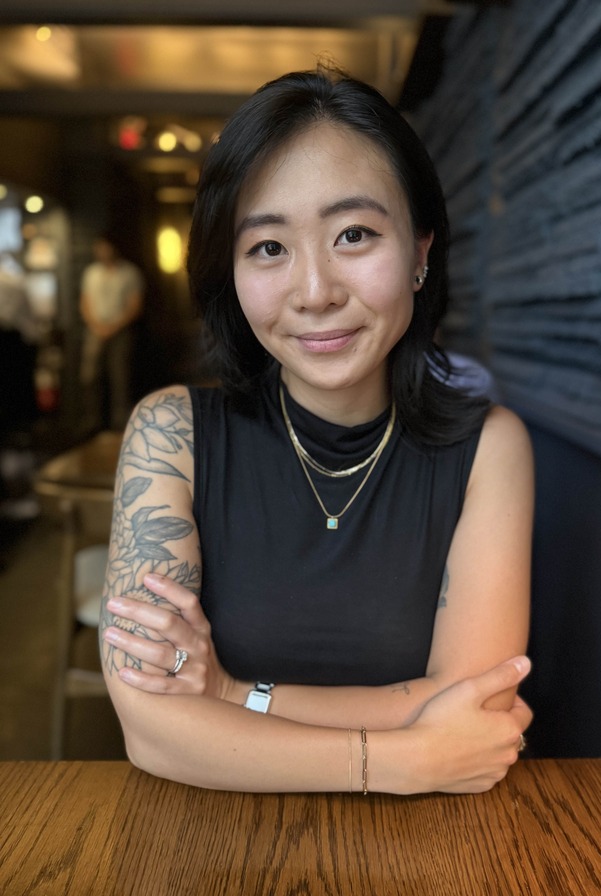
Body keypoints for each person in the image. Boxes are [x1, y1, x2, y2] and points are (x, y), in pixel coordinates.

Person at [99, 67, 534, 795]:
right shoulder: (169, 435)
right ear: (230, 271)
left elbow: (477, 707)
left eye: (353, 235)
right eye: (269, 247)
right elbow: (151, 727)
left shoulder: (489, 446)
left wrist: (230, 695)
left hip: (432, 846)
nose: (314, 292)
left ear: (420, 251)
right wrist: (407, 759)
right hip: (211, 841)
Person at [79, 234, 144, 431]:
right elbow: (85, 302)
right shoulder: (91, 273)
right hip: (95, 329)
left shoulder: (129, 273)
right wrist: (96, 325)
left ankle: (120, 420)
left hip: (120, 329)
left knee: (120, 375)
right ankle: (92, 419)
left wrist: (115, 326)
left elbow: (135, 305)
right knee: (89, 375)